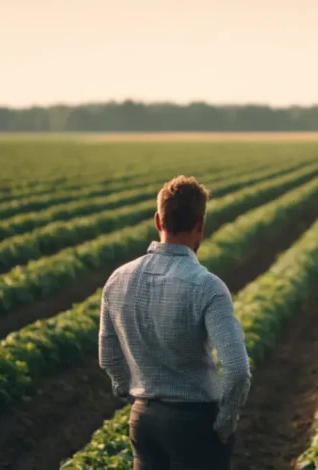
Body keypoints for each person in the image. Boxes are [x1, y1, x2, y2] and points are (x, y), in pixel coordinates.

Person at [98, 175, 252, 470]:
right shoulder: (207, 286)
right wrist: (225, 423)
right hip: (194, 423)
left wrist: (132, 396)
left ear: (158, 220)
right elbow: (237, 368)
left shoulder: (118, 279)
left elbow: (108, 356)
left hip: (144, 422)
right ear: (201, 226)